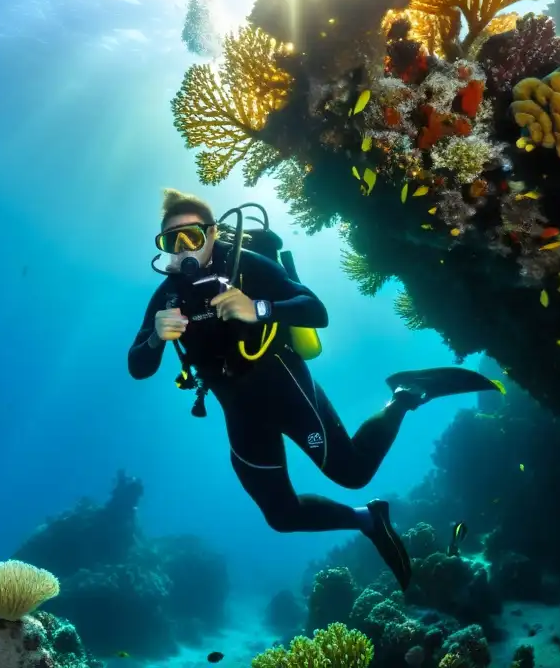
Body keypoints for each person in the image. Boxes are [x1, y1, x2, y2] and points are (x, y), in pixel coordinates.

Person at [127, 189, 498, 590]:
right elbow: (137, 366)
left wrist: (260, 308)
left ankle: (404, 394)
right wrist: (154, 340)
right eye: (172, 241)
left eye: (193, 237)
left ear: (214, 235)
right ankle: (368, 519)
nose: (183, 249)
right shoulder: (167, 296)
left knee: (353, 472)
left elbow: (315, 309)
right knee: (282, 517)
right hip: (240, 411)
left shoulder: (247, 266)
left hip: (286, 387)